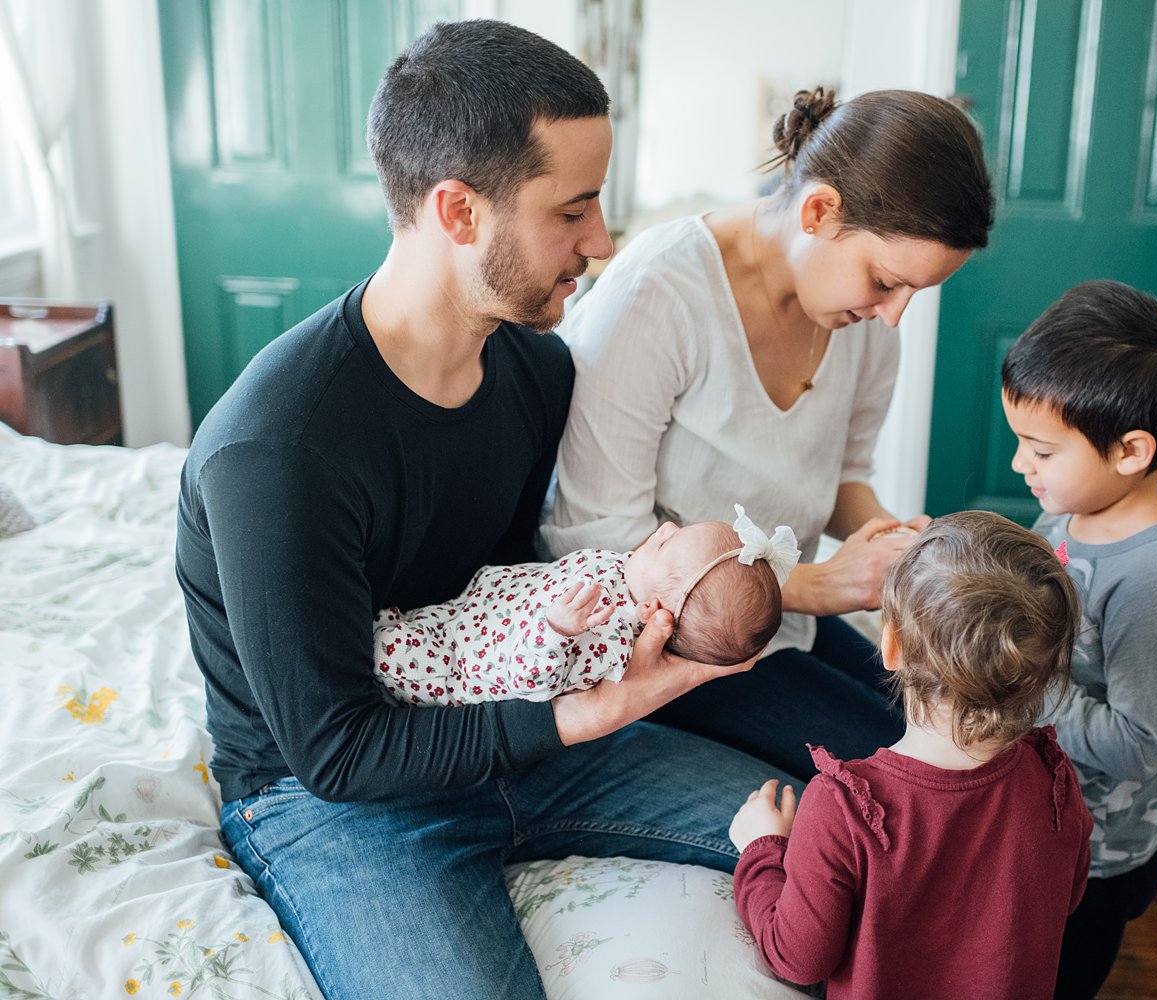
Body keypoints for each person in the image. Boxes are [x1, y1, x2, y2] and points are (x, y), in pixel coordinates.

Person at [175, 21, 797, 999]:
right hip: (334, 797)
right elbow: (336, 749)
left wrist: (600, 676)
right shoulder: (280, 451)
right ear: (459, 212)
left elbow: (510, 588)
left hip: (515, 726)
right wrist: (580, 717)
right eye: (574, 211)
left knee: (827, 832)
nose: (601, 245)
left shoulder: (535, 370)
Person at [542, 86, 996, 779]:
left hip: (783, 625)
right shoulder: (660, 293)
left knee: (969, 732)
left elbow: (842, 476)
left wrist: (896, 543)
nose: (894, 315)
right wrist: (814, 584)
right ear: (819, 210)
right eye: (884, 280)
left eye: (913, 293)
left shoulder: (864, 323)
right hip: (665, 641)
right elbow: (593, 535)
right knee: (915, 775)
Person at [728, 511, 1093, 1000]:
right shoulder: (1054, 782)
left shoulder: (843, 810)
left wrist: (762, 852)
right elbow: (1066, 898)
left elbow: (797, 959)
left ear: (892, 645)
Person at [999, 279, 1157, 999]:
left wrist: (1027, 690)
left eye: (1041, 451)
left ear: (1130, 451)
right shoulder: (1065, 517)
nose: (1022, 465)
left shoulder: (1150, 580)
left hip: (1098, 857)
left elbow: (1141, 746)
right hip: (1043, 823)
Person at [375, 506, 796, 704]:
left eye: (669, 542)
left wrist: (554, 631)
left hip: (457, 671)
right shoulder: (629, 573)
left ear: (655, 611)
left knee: (383, 650)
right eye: (677, 529)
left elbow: (534, 683)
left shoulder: (608, 640)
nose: (664, 528)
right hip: (470, 618)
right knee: (401, 615)